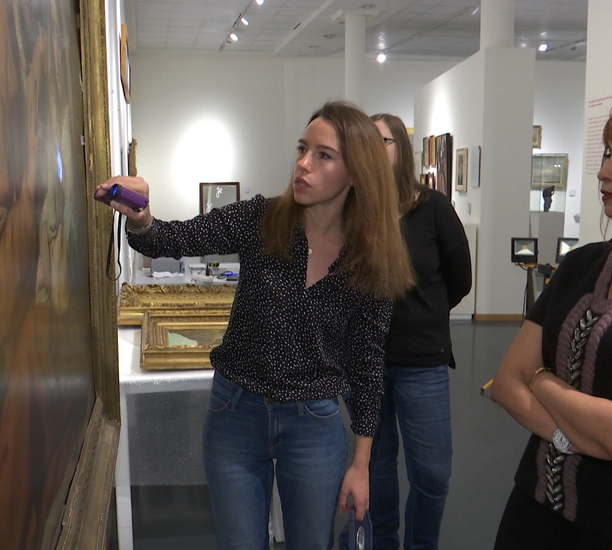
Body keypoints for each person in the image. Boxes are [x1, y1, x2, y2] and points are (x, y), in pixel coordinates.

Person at [95, 101, 415, 550]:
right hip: (235, 415)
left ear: (357, 172)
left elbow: (367, 362)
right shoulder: (261, 219)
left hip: (314, 422)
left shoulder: (371, 256)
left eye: (323, 155)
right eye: (303, 149)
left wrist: (361, 465)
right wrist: (142, 214)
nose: (302, 163)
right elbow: (176, 238)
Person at [490, 61, 612, 550]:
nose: (603, 170)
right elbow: (506, 384)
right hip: (534, 509)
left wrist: (543, 381)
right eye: (608, 152)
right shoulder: (581, 265)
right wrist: (581, 433)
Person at [368, 114, 472, 550]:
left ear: (401, 150)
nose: (373, 151)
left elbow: (460, 279)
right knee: (375, 469)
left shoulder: (433, 207)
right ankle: (383, 542)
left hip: (421, 362)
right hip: (367, 362)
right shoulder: (356, 208)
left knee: (431, 474)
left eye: (383, 141)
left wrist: (423, 316)